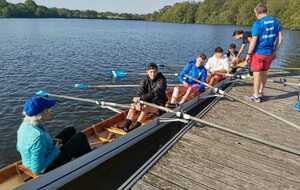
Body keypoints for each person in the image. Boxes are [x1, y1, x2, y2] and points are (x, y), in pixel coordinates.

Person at [17, 96, 91, 174]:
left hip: (41, 156)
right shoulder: (39, 137)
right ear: (40, 114)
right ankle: (89, 158)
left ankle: (77, 154)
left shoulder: (25, 125)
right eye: (48, 109)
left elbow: (21, 147)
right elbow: (36, 169)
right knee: (80, 136)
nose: (51, 111)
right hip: (46, 167)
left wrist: (50, 142)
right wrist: (56, 150)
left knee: (70, 130)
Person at [246, 3, 283, 103]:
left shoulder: (257, 23)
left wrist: (249, 54)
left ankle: (256, 96)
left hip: (258, 53)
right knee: (264, 73)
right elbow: (280, 38)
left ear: (258, 12)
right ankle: (261, 92)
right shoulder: (276, 21)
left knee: (257, 74)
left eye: (255, 13)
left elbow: (253, 40)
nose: (255, 15)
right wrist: (275, 51)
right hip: (270, 53)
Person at [121, 63, 167, 132]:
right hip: (146, 101)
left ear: (157, 71)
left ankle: (136, 127)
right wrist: (138, 102)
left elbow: (156, 92)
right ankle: (126, 126)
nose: (153, 74)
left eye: (154, 72)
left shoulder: (161, 80)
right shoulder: (144, 80)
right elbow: (140, 92)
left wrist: (141, 99)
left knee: (145, 108)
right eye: (151, 72)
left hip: (159, 104)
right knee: (133, 106)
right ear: (147, 72)